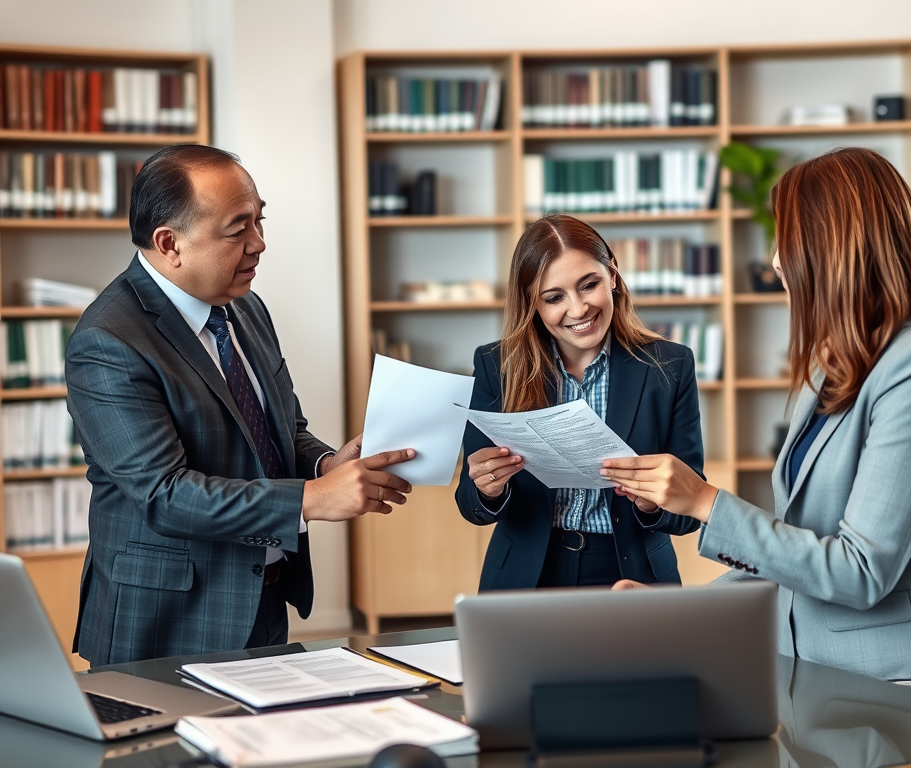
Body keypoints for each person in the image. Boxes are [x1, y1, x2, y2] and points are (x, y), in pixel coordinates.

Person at [603, 147, 911, 682]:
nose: (774, 261)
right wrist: (679, 609)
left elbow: (859, 573)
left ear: (834, 249)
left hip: (896, 684)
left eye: (785, 240)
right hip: (808, 660)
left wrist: (705, 503)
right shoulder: (842, 360)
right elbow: (797, 552)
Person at [66, 144, 415, 665]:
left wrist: (325, 462)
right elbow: (164, 494)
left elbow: (281, 431)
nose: (259, 244)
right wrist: (312, 498)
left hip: (261, 597)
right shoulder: (109, 340)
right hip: (166, 619)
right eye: (238, 229)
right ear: (170, 244)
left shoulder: (245, 308)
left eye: (260, 220)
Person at [455, 214, 704, 590]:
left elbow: (690, 509)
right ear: (532, 304)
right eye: (554, 297)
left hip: (632, 573)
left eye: (589, 285)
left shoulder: (669, 365)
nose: (578, 309)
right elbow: (470, 504)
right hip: (526, 573)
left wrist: (653, 502)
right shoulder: (496, 366)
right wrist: (488, 488)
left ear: (613, 277)